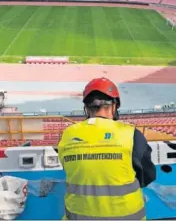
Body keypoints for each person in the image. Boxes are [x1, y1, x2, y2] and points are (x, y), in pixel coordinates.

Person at [58, 77, 156, 220]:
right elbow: (148, 176)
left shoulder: (68, 135)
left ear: (86, 107)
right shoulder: (131, 134)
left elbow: (71, 169)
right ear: (114, 105)